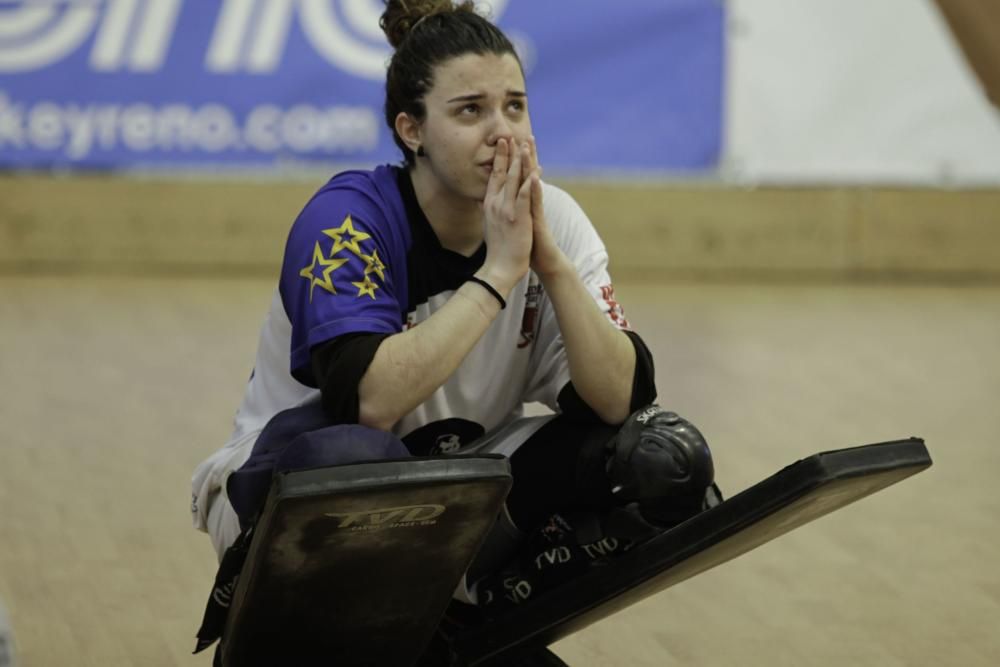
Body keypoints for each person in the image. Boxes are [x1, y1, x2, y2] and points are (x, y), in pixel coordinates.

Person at [190, 0, 714, 617]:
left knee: (661, 460)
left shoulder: (557, 218)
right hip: (296, 481)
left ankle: (474, 613)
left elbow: (620, 401)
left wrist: (550, 264)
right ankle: (283, 616)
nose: (503, 131)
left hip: (462, 484)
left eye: (514, 106)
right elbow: (370, 404)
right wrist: (498, 273)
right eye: (471, 111)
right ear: (411, 129)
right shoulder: (349, 220)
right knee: (358, 464)